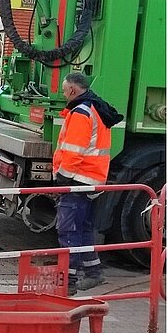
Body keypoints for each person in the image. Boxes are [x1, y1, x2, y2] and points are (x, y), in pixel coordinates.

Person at [53, 72, 123, 295]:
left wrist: (63, 177)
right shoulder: (96, 108)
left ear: (73, 90)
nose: (64, 95)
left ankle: (68, 281)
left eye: (65, 91)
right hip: (91, 179)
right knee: (82, 229)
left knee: (68, 230)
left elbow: (74, 150)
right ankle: (93, 273)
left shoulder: (81, 112)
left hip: (77, 180)